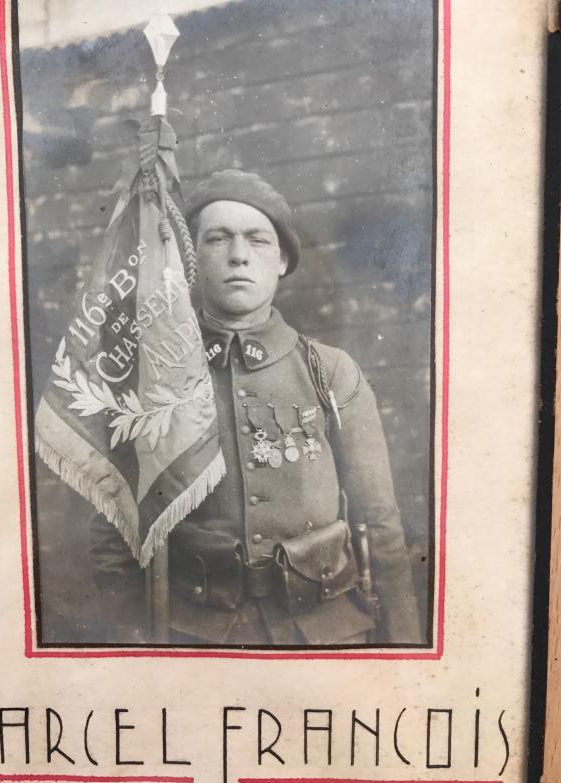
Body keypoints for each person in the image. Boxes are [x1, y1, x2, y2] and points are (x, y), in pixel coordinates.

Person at [89, 169, 422, 646]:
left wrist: (402, 649)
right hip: (194, 638)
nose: (239, 255)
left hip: (324, 635)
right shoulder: (153, 377)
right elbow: (112, 534)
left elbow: (381, 523)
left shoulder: (329, 371)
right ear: (191, 257)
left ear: (282, 260)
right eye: (217, 238)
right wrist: (131, 648)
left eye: (257, 240)